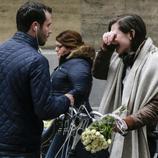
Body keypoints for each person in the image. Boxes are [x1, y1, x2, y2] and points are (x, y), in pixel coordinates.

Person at [0, 2, 74, 158]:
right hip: (21, 149)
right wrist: (66, 100)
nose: (50, 31)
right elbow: (45, 109)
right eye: (48, 25)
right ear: (35, 26)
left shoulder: (1, 50)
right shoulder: (37, 61)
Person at [93, 14, 158, 158]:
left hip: (144, 136)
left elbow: (155, 105)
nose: (111, 39)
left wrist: (126, 122)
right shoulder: (119, 59)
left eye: (114, 35)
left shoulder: (155, 61)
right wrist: (106, 49)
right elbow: (98, 73)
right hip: (116, 134)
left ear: (131, 34)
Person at [45, 30, 109, 158]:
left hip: (74, 121)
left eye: (59, 46)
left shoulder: (78, 63)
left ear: (70, 47)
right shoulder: (70, 63)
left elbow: (81, 88)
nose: (56, 49)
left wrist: (65, 99)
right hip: (66, 120)